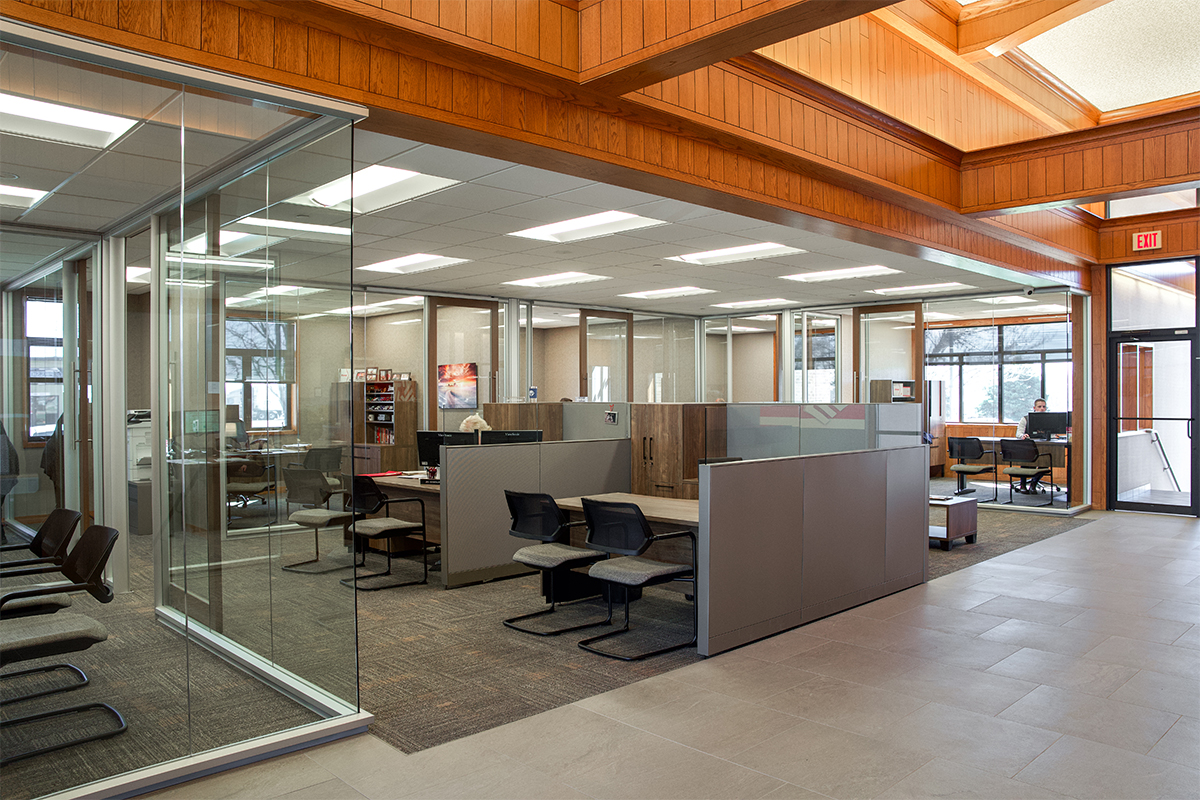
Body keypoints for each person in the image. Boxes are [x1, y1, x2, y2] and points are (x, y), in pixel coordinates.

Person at [1013, 399, 1047, 493]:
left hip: (1044, 447)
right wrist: (1023, 436)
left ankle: (1033, 484)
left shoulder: (1049, 419)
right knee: (1026, 462)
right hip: (1028, 446)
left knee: (1046, 463)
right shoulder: (1025, 419)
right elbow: (1018, 434)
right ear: (1034, 408)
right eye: (1039, 407)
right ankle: (1023, 485)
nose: (1042, 409)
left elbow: (1051, 434)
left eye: (1044, 407)